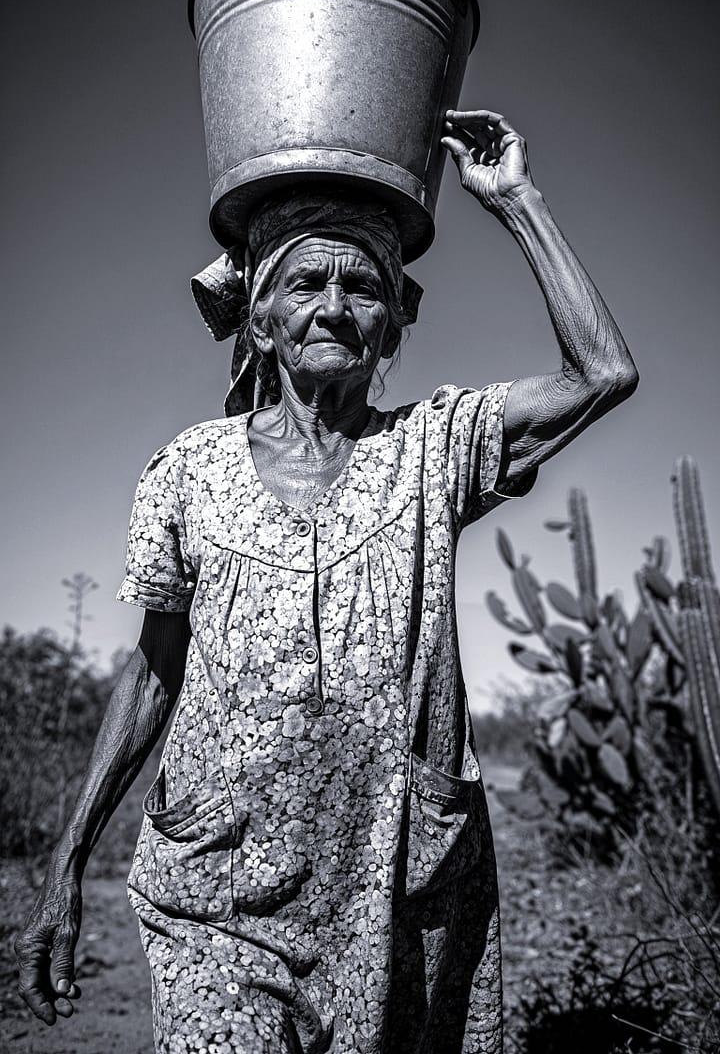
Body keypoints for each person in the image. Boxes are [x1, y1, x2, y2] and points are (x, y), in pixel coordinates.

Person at [15, 110, 638, 1053]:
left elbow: (603, 371)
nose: (336, 306)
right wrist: (66, 858)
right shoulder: (187, 468)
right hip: (215, 891)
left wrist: (516, 203)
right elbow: (152, 672)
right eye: (308, 281)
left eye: (365, 286)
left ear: (394, 321)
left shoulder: (433, 447)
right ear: (261, 318)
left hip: (385, 887)